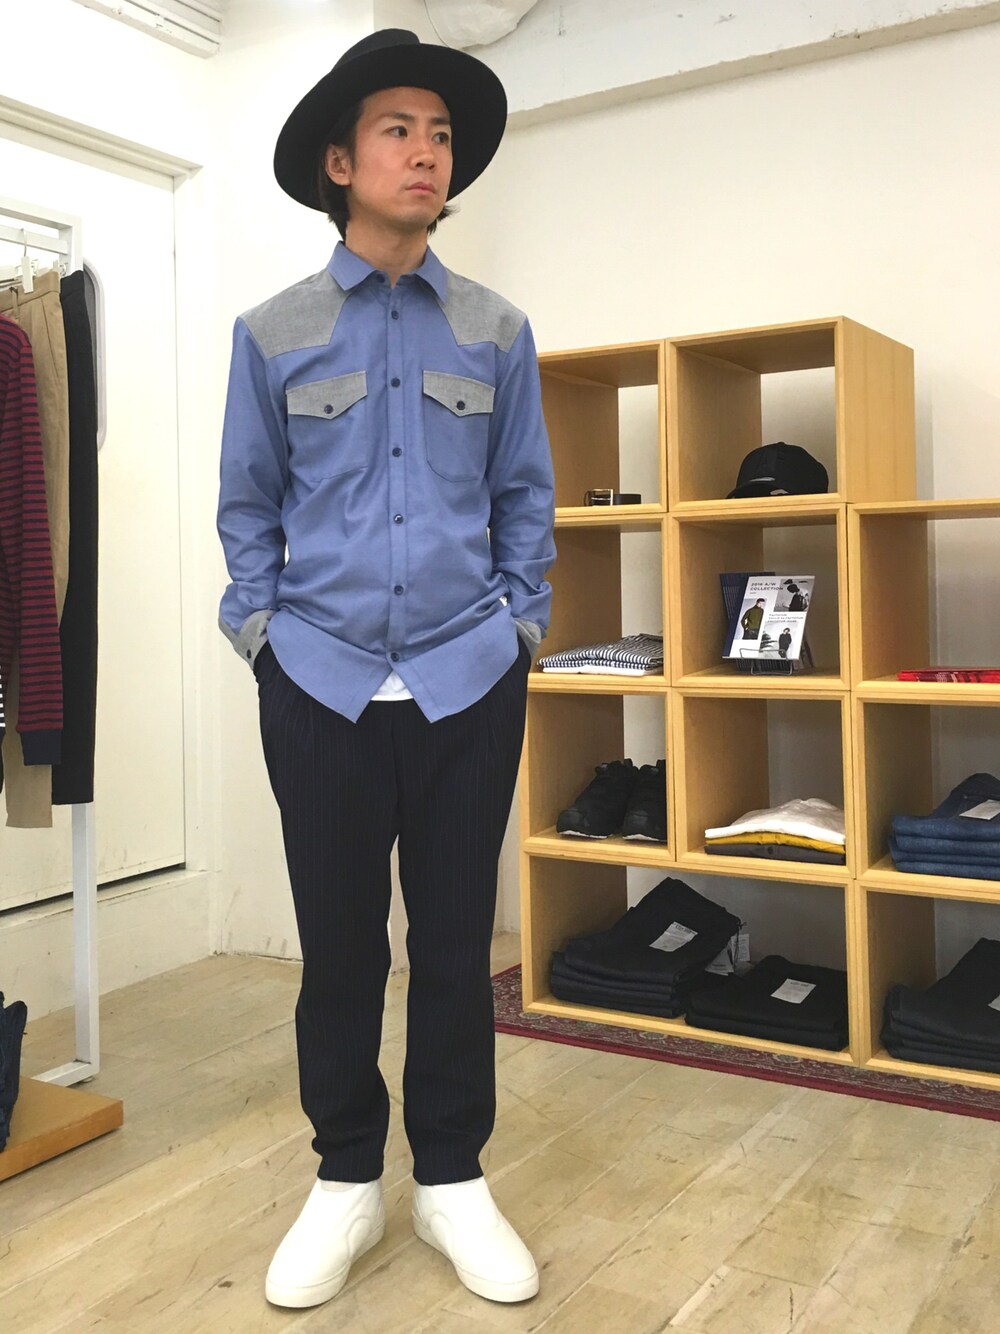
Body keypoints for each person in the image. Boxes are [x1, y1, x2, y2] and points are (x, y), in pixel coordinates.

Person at [216, 29, 555, 1311]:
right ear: (339, 161)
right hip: (320, 683)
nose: (427, 152)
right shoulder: (274, 332)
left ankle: (452, 1176)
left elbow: (525, 497)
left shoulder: (496, 329)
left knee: (458, 942)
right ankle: (347, 1175)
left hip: (470, 679)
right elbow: (247, 505)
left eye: (442, 135)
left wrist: (521, 628)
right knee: (340, 943)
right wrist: (264, 637)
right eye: (399, 129)